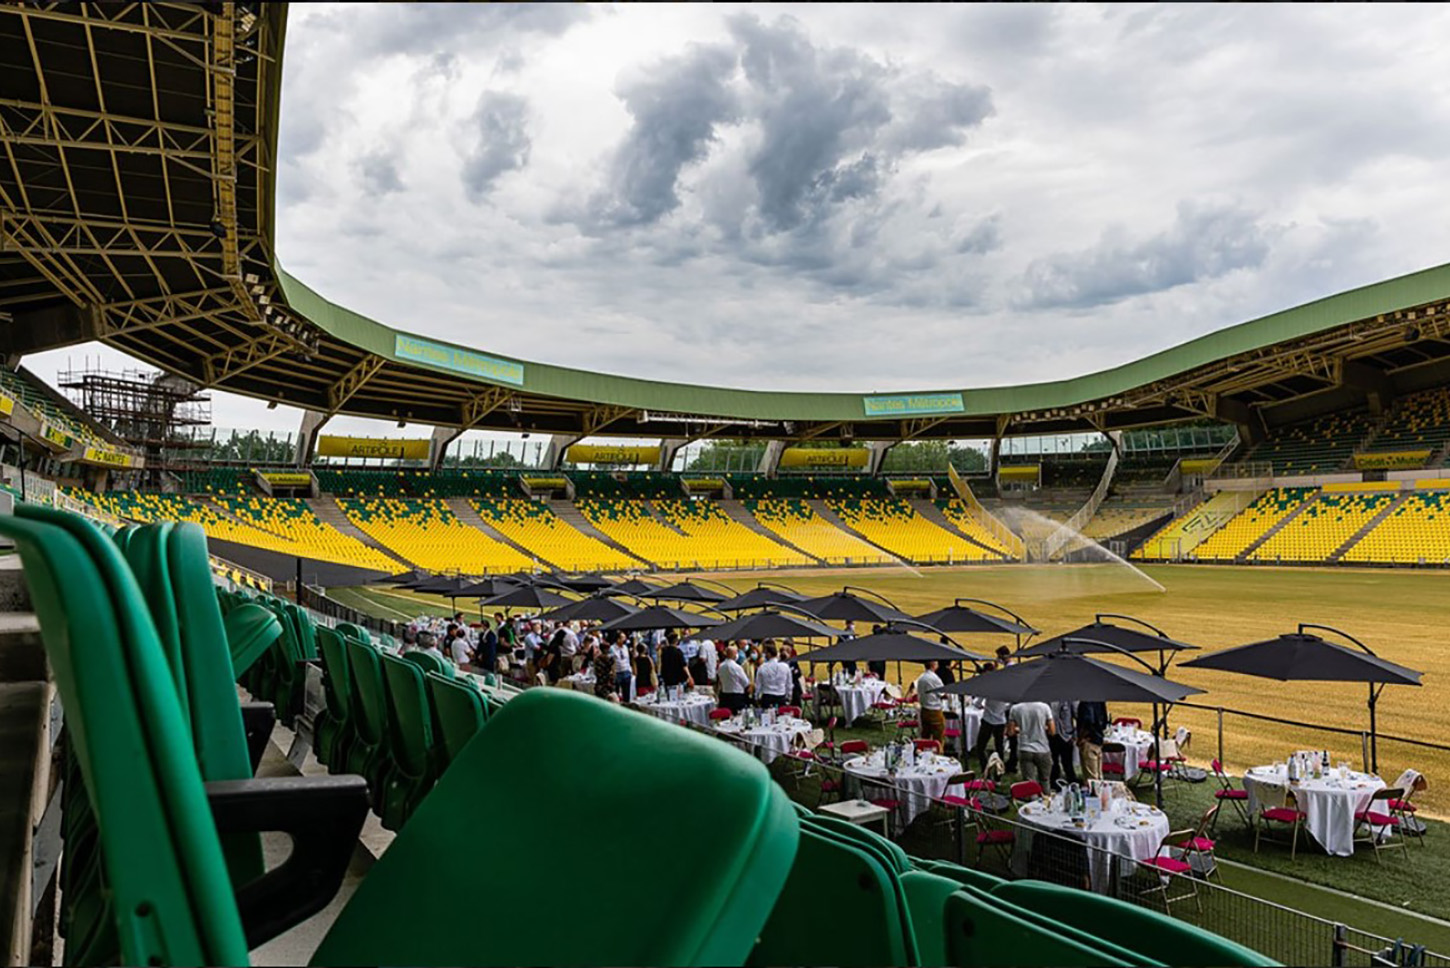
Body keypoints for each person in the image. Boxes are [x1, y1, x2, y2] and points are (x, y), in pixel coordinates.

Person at [1007, 700, 1055, 786]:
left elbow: (1010, 732)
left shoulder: (1015, 708)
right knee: (1045, 780)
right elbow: (1052, 731)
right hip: (1042, 748)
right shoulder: (1045, 707)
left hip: (1024, 748)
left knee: (1029, 783)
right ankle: (1046, 797)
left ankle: (1033, 798)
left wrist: (1020, 729)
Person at [972, 663, 1008, 771]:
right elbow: (1010, 702)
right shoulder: (1004, 686)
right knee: (999, 747)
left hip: (988, 720)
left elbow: (977, 703)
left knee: (981, 747)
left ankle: (985, 768)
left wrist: (983, 706)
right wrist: (1002, 709)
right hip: (1000, 721)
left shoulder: (987, 686)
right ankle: (999, 773)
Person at [906, 659, 946, 743]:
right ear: (934, 665)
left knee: (925, 735)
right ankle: (937, 752)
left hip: (924, 709)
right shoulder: (935, 679)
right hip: (934, 710)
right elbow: (943, 694)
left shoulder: (921, 677)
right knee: (938, 737)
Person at [1076, 700, 1110, 781]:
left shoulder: (1086, 703)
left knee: (1091, 778)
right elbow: (1105, 721)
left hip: (1089, 740)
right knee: (1098, 775)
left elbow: (1088, 721)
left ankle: (1094, 792)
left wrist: (1081, 738)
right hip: (1098, 740)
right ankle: (1100, 791)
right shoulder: (1100, 702)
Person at [754, 642, 791, 709]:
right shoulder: (785, 667)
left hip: (767, 695)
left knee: (766, 717)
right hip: (781, 695)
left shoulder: (762, 667)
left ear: (768, 654)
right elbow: (789, 683)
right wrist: (789, 696)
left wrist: (756, 696)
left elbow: (758, 684)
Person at [1050, 700, 1078, 786]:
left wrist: (1074, 734)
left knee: (1067, 762)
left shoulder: (1069, 700)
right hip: (1052, 735)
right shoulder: (1046, 700)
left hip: (1066, 736)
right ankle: (1054, 781)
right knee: (1053, 761)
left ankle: (1072, 781)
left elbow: (1077, 716)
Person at [716, 644, 752, 713]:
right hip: (737, 696)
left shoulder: (721, 666)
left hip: (725, 695)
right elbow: (745, 682)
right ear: (734, 654)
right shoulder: (737, 667)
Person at [609, 631, 633, 701]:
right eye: (623, 638)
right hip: (617, 672)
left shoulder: (625, 647)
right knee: (616, 693)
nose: (624, 639)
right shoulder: (612, 648)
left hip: (626, 671)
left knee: (626, 694)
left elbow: (628, 659)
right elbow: (612, 661)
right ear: (618, 639)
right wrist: (613, 672)